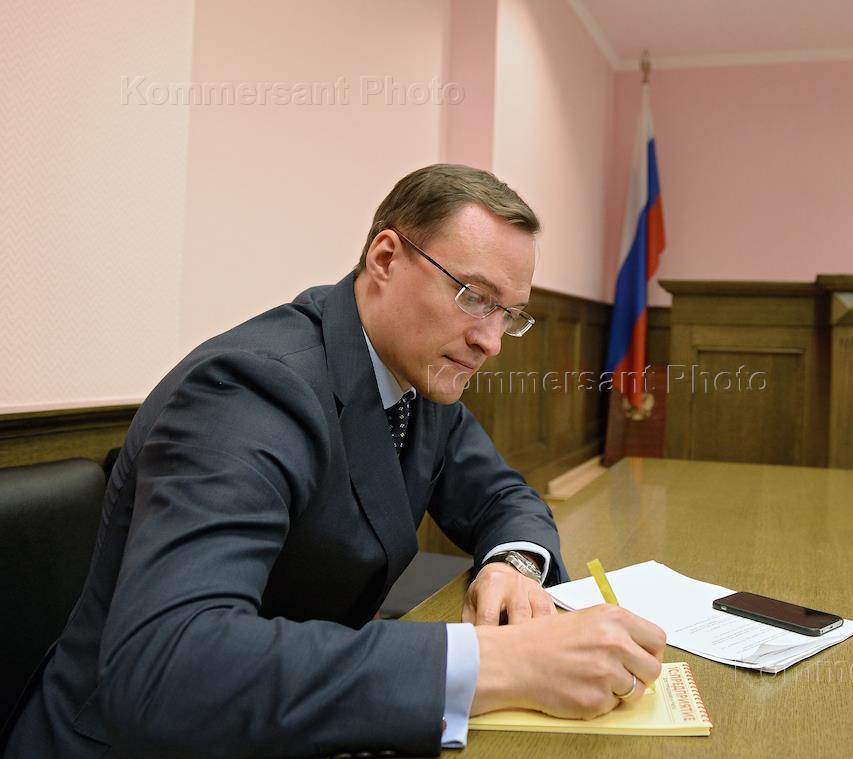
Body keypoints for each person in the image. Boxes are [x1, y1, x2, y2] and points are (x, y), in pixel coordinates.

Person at [1, 165, 667, 758]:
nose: (491, 340)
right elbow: (169, 668)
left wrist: (512, 566)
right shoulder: (248, 389)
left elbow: (502, 496)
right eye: (474, 296)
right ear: (386, 258)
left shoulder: (422, 375)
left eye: (509, 315)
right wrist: (494, 663)